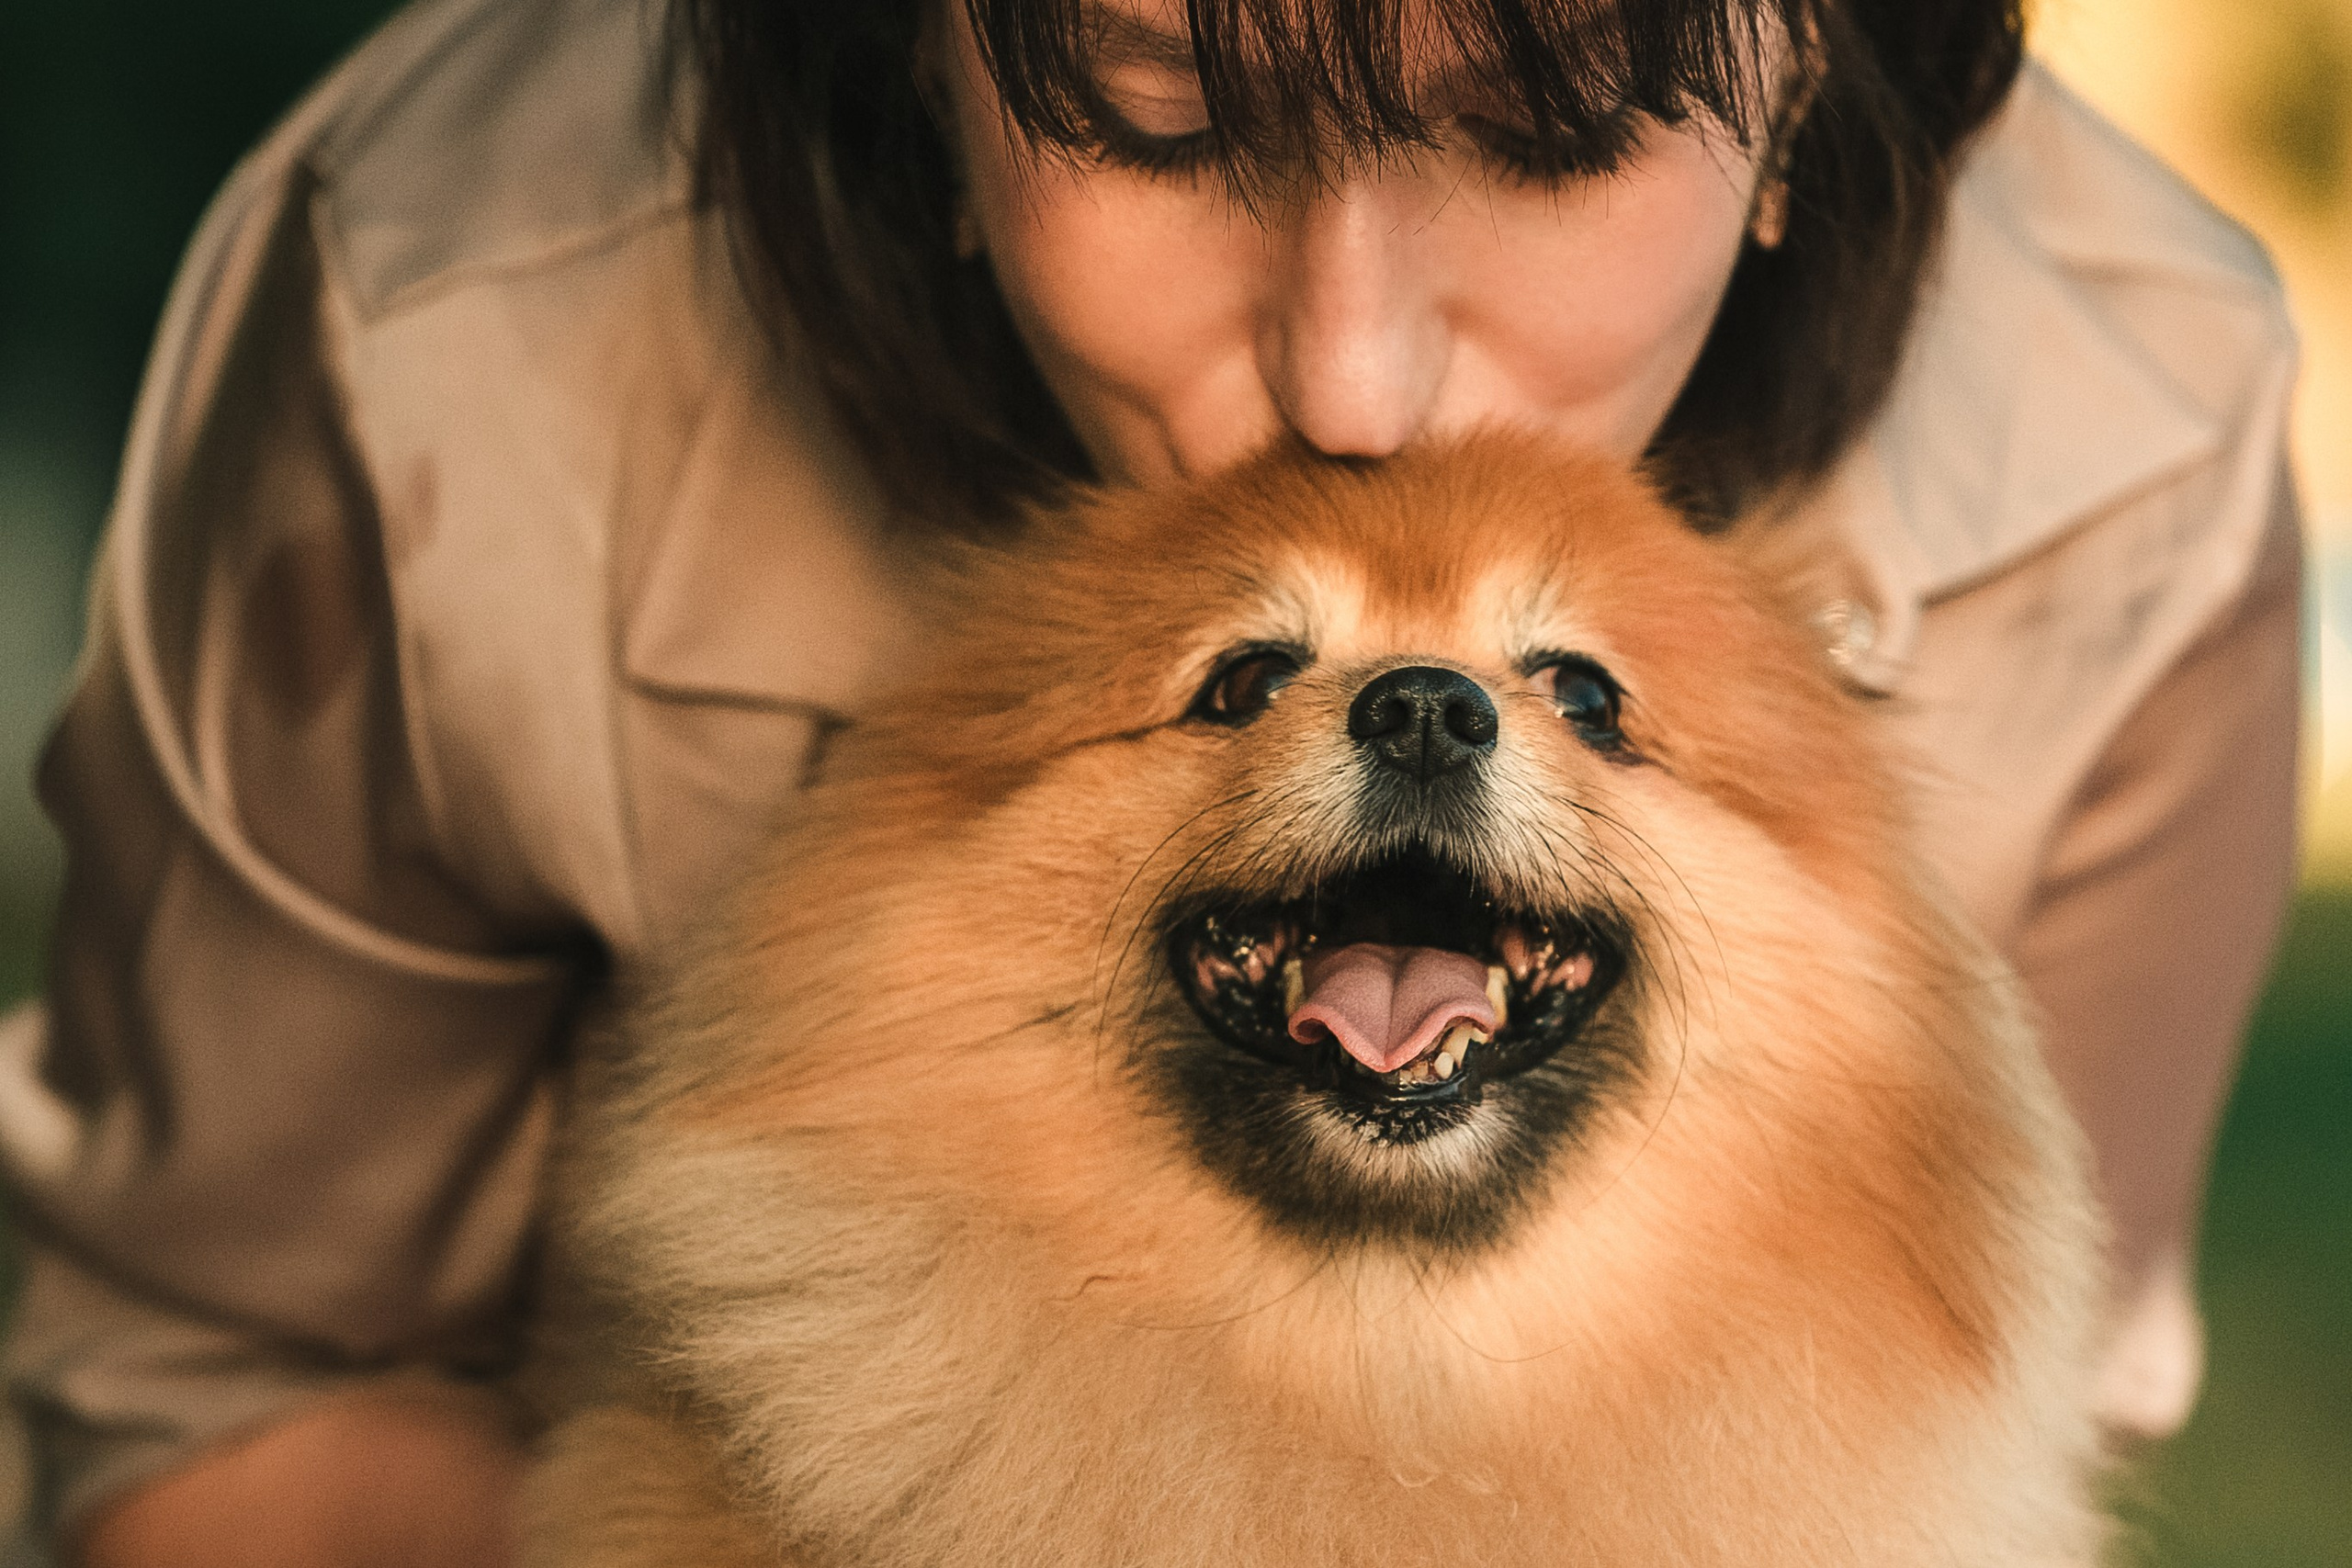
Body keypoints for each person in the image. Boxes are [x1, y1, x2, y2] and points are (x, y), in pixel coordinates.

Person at [0, 0, 2301, 1562]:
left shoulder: (2130, 450)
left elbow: (1983, 1387)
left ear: (1802, 74)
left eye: (1550, 123)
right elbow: (214, 1389)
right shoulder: (439, 325)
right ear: (920, 62)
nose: (1351, 368)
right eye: (1157, 114)